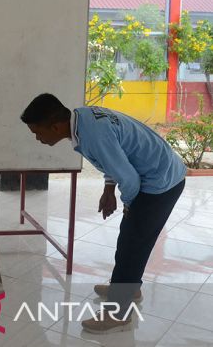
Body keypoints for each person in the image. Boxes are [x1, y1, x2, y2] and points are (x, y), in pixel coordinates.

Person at [21, 93, 186, 334]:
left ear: (55, 126)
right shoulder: (82, 119)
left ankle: (118, 315)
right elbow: (115, 157)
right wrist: (109, 188)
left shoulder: (92, 135)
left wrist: (130, 206)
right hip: (159, 172)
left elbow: (129, 179)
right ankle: (130, 287)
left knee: (132, 244)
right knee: (130, 240)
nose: (37, 138)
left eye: (38, 132)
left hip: (160, 182)